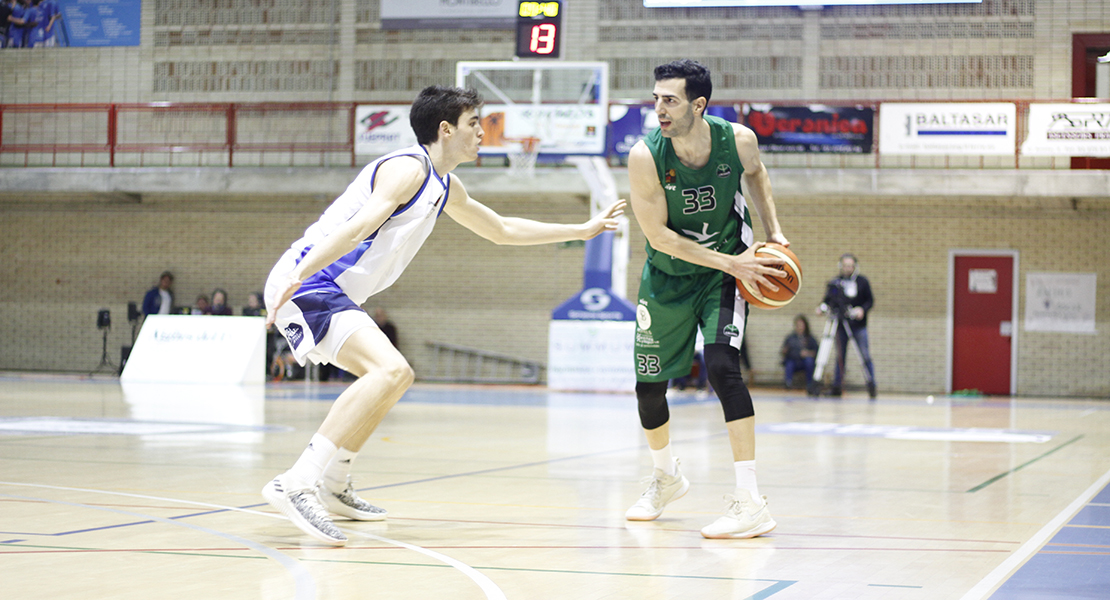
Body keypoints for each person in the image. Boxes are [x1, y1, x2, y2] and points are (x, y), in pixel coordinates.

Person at [260, 85, 626, 546]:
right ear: (446, 129)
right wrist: (299, 273)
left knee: (396, 376)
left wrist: (583, 228)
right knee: (389, 369)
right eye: (475, 123)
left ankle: (334, 483)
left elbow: (501, 229)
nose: (482, 132)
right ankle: (299, 481)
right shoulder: (406, 169)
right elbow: (356, 228)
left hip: (328, 287)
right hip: (311, 282)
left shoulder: (444, 183)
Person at [625, 59, 789, 539]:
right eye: (656, 98)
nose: (659, 108)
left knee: (722, 368)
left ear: (698, 104)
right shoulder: (645, 156)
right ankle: (666, 476)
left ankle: (750, 501)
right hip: (668, 277)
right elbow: (659, 237)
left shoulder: (737, 140)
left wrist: (774, 233)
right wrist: (734, 262)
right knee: (648, 388)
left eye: (670, 100)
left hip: (721, 278)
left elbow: (756, 175)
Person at [818, 253, 876, 398]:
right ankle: (837, 386)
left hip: (858, 325)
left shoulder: (862, 282)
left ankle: (871, 384)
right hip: (841, 326)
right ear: (840, 266)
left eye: (850, 266)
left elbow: (870, 300)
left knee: (864, 355)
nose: (848, 268)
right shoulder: (836, 282)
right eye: (845, 265)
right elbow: (827, 300)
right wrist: (822, 307)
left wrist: (862, 309)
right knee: (840, 357)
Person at [781, 314, 817, 389]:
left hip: (804, 362)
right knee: (789, 363)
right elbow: (785, 351)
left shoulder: (810, 338)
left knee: (809, 361)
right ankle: (788, 383)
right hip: (794, 360)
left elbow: (816, 351)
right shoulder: (790, 338)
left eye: (801, 325)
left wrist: (808, 353)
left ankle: (810, 384)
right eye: (798, 325)